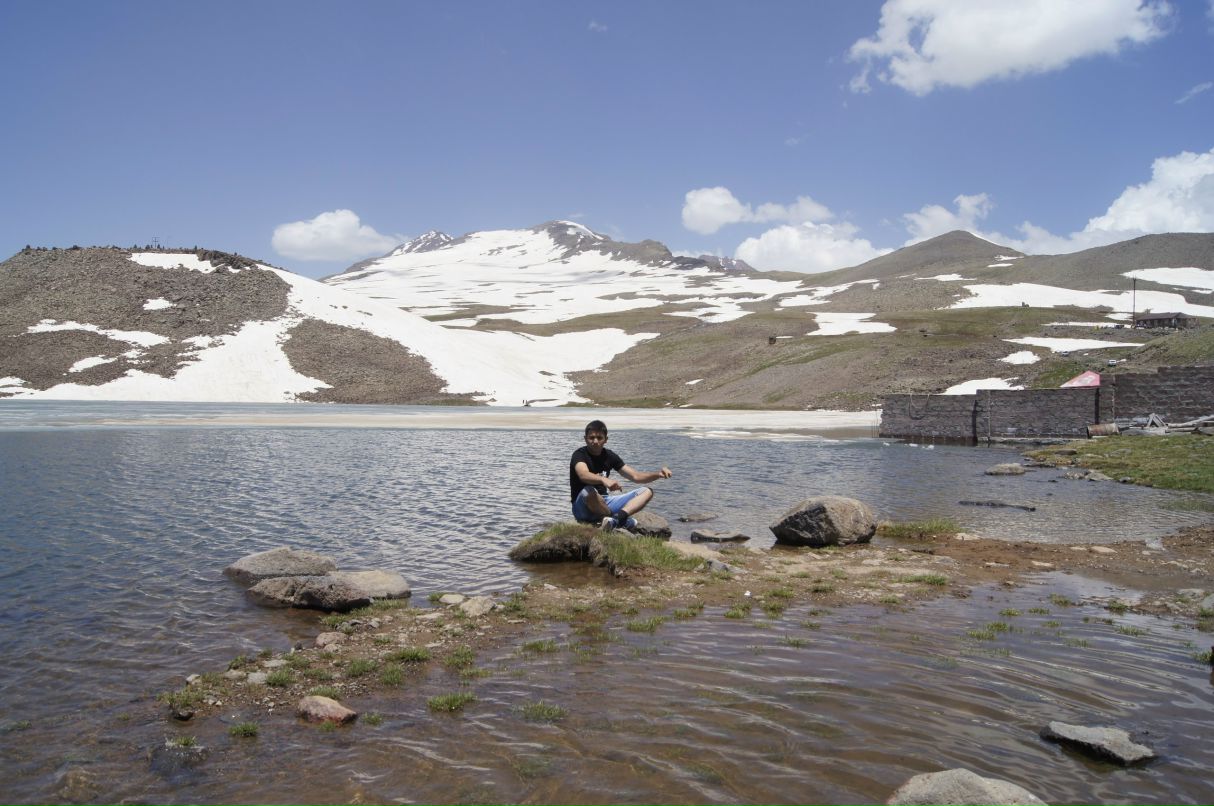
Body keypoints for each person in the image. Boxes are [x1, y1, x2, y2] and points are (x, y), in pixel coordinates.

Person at [569, 419, 672, 531]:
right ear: (585, 439)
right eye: (591, 437)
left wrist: (658, 474)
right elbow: (583, 474)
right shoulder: (579, 454)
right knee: (588, 491)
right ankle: (616, 520)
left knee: (647, 492)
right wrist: (603, 480)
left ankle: (618, 518)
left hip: (604, 502)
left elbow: (635, 476)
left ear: (606, 440)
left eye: (599, 438)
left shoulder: (609, 456)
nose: (595, 441)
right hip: (582, 507)